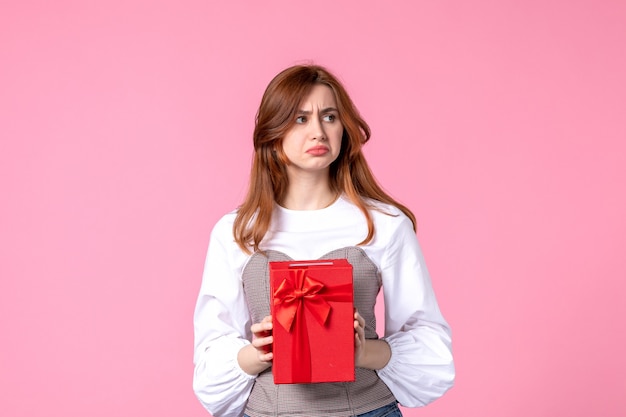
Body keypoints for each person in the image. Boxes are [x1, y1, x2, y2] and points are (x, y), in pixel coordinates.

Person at [193, 64, 455, 417]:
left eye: (329, 117)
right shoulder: (236, 231)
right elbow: (212, 352)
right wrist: (260, 353)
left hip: (368, 410)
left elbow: (427, 339)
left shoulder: (384, 225)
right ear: (274, 132)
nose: (318, 131)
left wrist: (362, 353)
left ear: (344, 128)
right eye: (300, 119)